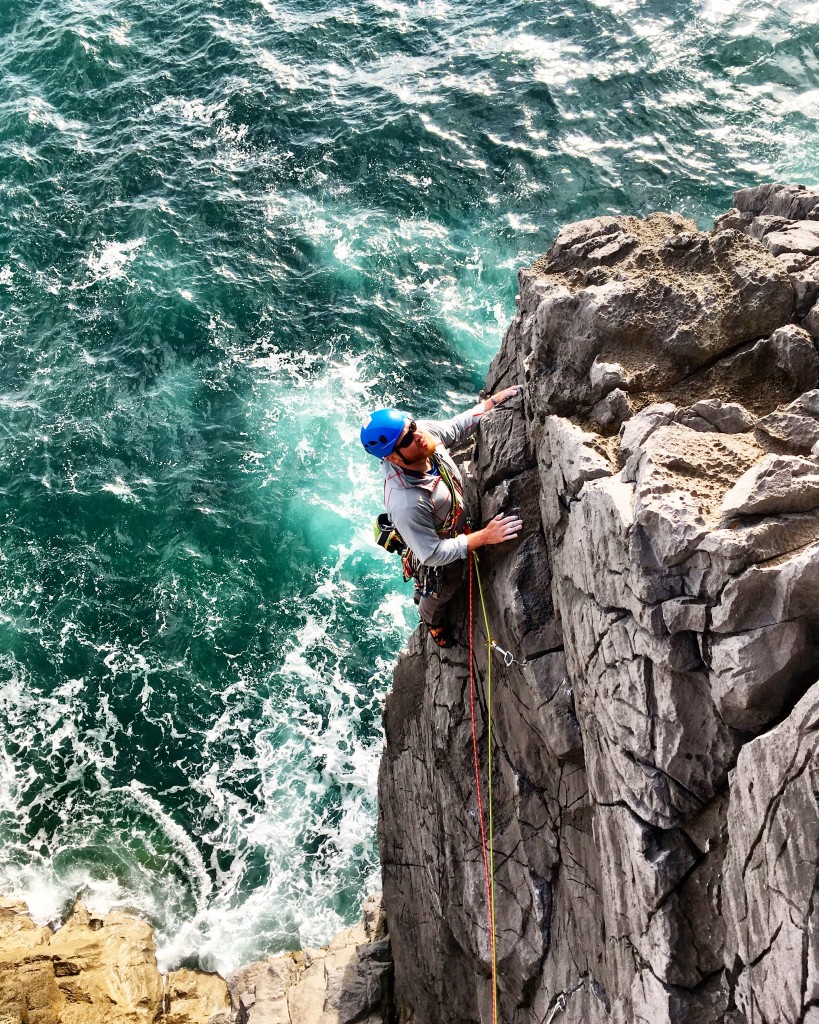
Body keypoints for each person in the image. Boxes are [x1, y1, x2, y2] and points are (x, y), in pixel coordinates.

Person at [360, 387, 523, 647]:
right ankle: (431, 621)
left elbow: (455, 427)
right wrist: (484, 537)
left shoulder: (420, 436)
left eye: (412, 426)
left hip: (449, 523)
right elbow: (431, 554)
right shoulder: (406, 502)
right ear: (392, 457)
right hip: (438, 549)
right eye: (406, 440)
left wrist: (492, 402)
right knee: (441, 590)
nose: (418, 436)